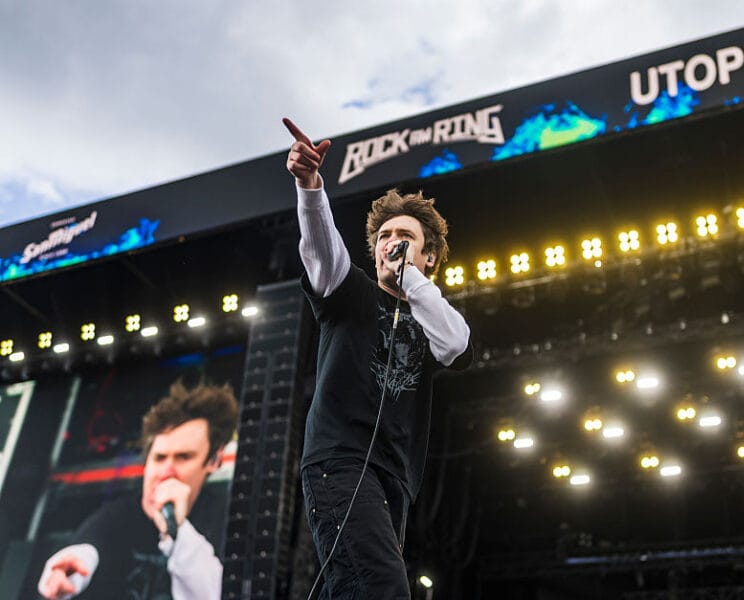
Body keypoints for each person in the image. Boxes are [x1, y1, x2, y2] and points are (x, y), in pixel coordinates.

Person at [284, 117, 472, 599]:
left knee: (348, 587)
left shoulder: (433, 313)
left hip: (395, 477)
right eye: (386, 235)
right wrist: (310, 187)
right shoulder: (349, 294)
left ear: (429, 257)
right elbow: (322, 251)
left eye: (406, 236)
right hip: (339, 462)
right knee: (383, 587)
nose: (393, 242)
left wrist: (412, 280)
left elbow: (456, 346)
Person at [37, 381, 239, 600]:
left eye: (183, 457)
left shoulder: (226, 519)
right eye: (159, 458)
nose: (165, 471)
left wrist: (177, 530)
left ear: (214, 460)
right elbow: (89, 548)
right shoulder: (117, 517)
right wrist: (68, 571)